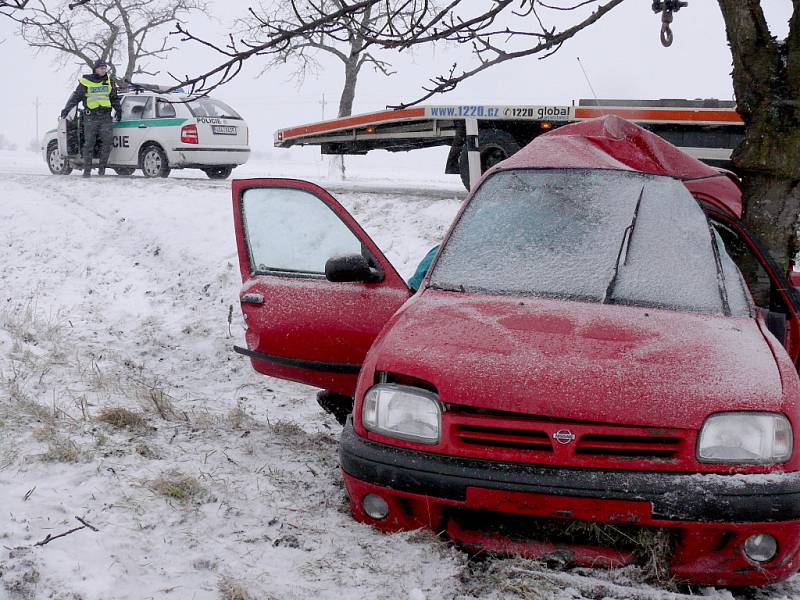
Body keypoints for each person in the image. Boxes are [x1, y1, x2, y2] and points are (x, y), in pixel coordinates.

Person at [60, 59, 122, 178]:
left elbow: (114, 98)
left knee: (108, 143)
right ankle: (87, 170)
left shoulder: (109, 81)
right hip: (91, 117)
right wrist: (67, 109)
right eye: (101, 68)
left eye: (105, 68)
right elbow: (76, 98)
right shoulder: (86, 81)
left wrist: (119, 110)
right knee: (89, 143)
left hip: (105, 117)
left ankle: (102, 169)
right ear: (96, 69)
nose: (104, 70)